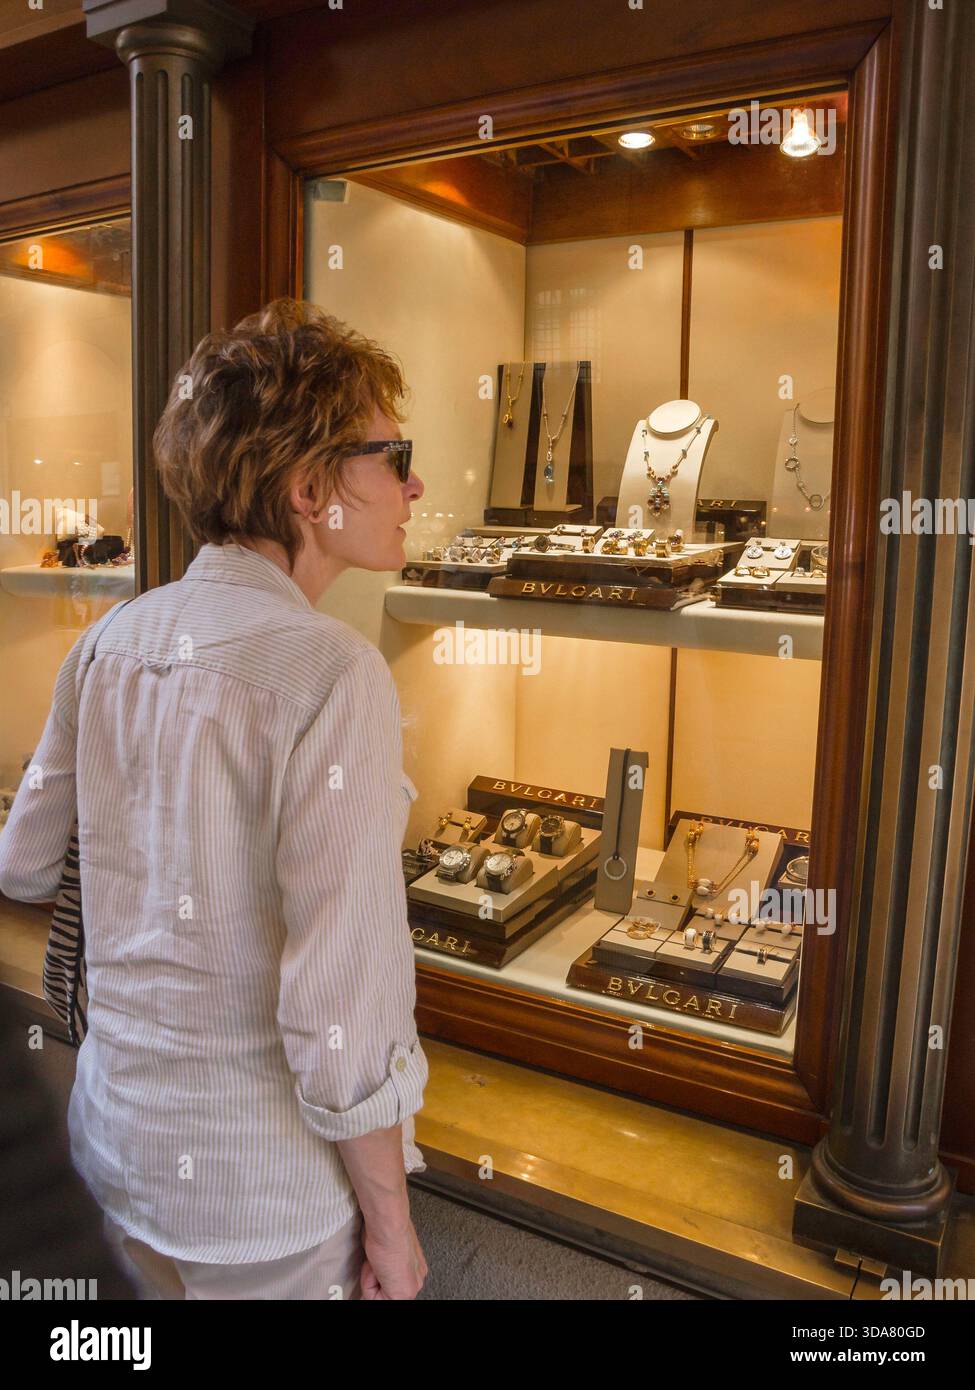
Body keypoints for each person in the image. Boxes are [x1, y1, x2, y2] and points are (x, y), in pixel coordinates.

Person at [0, 298, 429, 1300]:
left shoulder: (111, 638)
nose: (411, 483)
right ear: (308, 485)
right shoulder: (335, 675)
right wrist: (393, 1230)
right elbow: (339, 1022)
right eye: (389, 453)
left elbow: (22, 860)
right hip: (260, 1202)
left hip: (110, 1153)